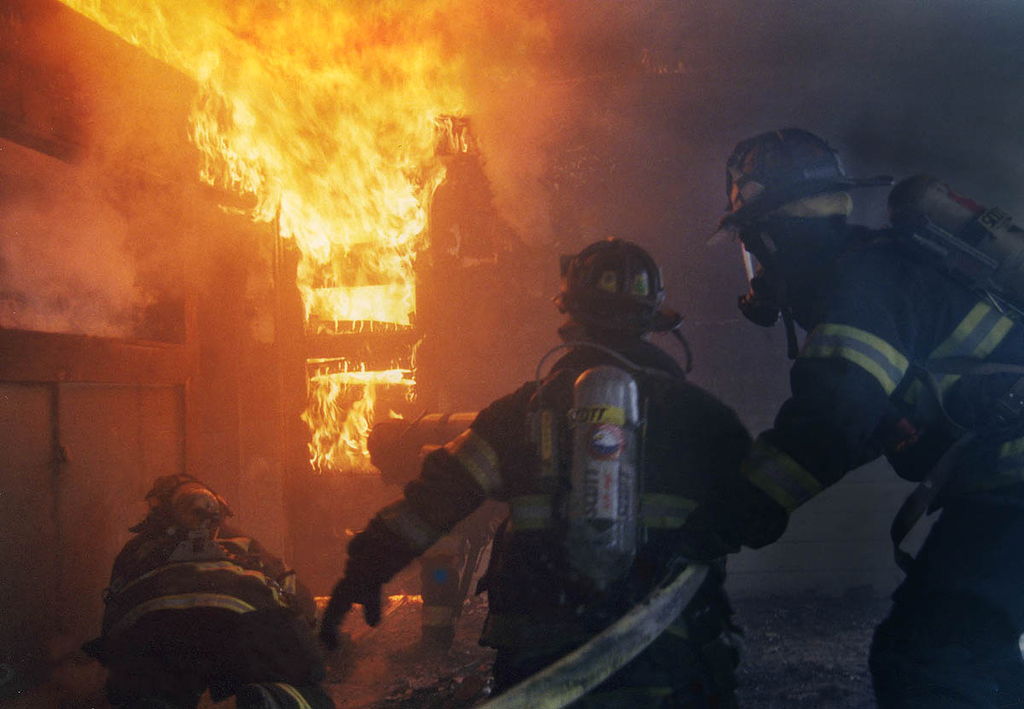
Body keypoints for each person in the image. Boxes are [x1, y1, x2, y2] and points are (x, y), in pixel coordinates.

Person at [321, 238, 751, 708]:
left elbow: (433, 502)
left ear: (571, 315)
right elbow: (754, 513)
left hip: (545, 664)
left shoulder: (517, 415)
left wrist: (364, 567)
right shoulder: (706, 419)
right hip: (669, 658)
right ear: (652, 317)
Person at [692, 127, 1024, 707]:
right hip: (1001, 491)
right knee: (968, 654)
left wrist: (734, 513)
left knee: (931, 660)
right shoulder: (883, 271)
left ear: (769, 237)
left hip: (1011, 492)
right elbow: (866, 419)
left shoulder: (860, 290)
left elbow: (831, 421)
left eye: (750, 244)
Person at [84, 474, 334, 709]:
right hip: (243, 622)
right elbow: (298, 597)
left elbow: (113, 616)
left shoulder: (136, 549)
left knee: (144, 689)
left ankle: (154, 700)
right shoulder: (240, 542)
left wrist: (118, 658)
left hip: (154, 629)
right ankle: (271, 698)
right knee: (306, 681)